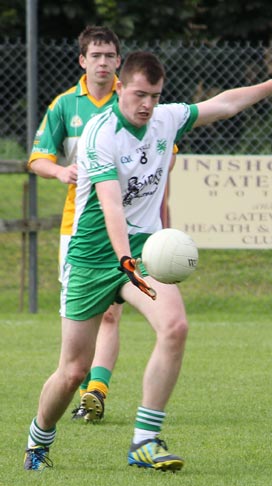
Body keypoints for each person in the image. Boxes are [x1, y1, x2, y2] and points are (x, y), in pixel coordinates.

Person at [23, 49, 272, 471]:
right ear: (121, 87)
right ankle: (38, 440)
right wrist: (122, 258)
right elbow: (110, 205)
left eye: (155, 96)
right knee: (72, 371)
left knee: (175, 326)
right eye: (140, 94)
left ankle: (145, 440)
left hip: (143, 250)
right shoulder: (100, 135)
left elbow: (225, 104)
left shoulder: (165, 118)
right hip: (92, 254)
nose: (147, 105)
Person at [27, 26, 177, 423]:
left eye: (111, 55)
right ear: (83, 61)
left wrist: (162, 219)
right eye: (96, 56)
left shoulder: (133, 99)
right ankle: (72, 391)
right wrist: (60, 173)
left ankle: (96, 391)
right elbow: (38, 157)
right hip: (81, 229)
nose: (104, 63)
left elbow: (164, 159)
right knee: (82, 336)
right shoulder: (65, 106)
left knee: (115, 315)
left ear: (119, 63)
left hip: (132, 233)